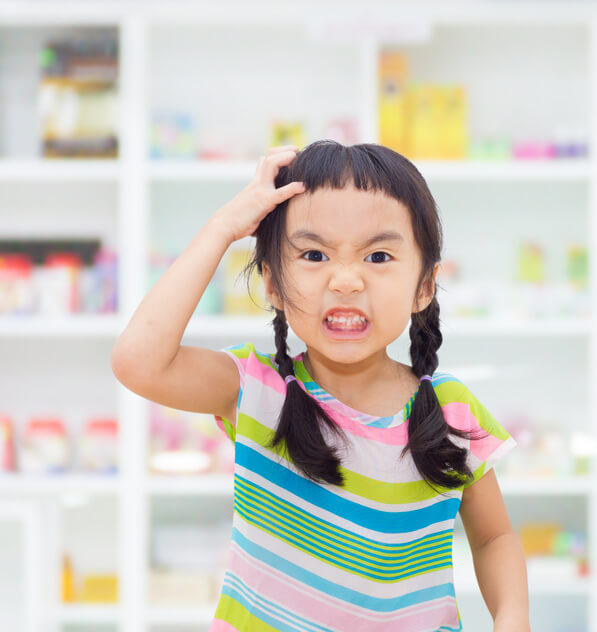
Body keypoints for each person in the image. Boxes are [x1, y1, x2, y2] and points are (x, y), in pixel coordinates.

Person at [111, 140, 529, 631]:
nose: (346, 280)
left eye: (377, 256)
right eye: (314, 254)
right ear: (272, 284)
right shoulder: (257, 389)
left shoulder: (450, 407)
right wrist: (224, 228)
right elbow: (139, 362)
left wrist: (512, 620)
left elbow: (493, 537)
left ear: (424, 286)